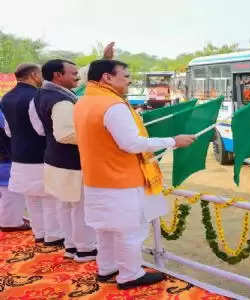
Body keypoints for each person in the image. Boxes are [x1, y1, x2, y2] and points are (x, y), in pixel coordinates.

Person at [73, 59, 196, 289]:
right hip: (121, 180)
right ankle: (130, 275)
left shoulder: (84, 101)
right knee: (130, 231)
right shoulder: (113, 105)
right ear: (107, 78)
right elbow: (131, 143)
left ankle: (107, 268)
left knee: (106, 229)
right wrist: (173, 141)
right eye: (126, 75)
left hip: (95, 178)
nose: (130, 80)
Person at [34, 59, 97, 262]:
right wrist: (98, 138)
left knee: (66, 206)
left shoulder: (42, 94)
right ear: (58, 76)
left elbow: (41, 130)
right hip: (70, 162)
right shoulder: (60, 100)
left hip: (55, 158)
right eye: (73, 73)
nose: (77, 77)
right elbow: (65, 134)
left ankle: (71, 246)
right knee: (78, 207)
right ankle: (85, 249)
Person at [1, 64, 64, 245]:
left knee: (32, 198)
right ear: (35, 75)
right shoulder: (35, 96)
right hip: (39, 154)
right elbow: (41, 129)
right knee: (50, 198)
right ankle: (53, 235)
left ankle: (39, 233)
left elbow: (8, 131)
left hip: (18, 155)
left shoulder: (6, 98)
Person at [0, 110, 30, 232]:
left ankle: (9, 218)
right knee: (11, 190)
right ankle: (10, 222)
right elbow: (9, 132)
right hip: (4, 158)